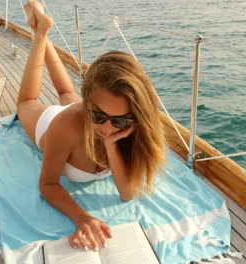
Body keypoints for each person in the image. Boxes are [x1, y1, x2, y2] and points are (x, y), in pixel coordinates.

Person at [17, 0, 165, 252]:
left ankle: (42, 26)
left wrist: (111, 145)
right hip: (52, 125)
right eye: (99, 116)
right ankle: (40, 32)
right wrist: (81, 217)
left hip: (81, 114)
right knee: (26, 102)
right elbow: (48, 184)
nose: (107, 128)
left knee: (66, 91)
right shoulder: (66, 124)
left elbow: (127, 194)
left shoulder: (123, 125)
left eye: (119, 120)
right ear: (89, 103)